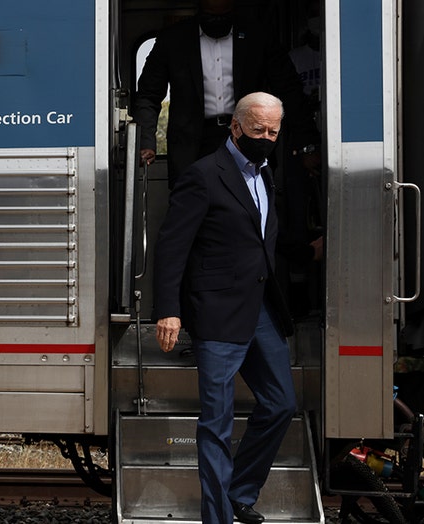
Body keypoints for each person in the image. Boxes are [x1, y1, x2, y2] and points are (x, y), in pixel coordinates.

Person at [152, 92, 297, 524]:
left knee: (281, 404)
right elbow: (172, 246)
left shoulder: (267, 173)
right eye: (258, 130)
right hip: (216, 313)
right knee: (216, 424)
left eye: (273, 132)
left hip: (262, 309)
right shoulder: (203, 176)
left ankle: (239, 493)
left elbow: (259, 240)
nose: (266, 138)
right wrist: (168, 309)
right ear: (235, 127)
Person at [134, 0, 318, 188]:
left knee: (248, 203)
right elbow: (148, 94)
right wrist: (144, 142)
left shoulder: (258, 35)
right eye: (210, 15)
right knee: (194, 203)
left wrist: (307, 145)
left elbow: (289, 91)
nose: (217, 20)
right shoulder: (173, 39)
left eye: (223, 16)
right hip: (191, 146)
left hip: (247, 139)